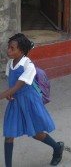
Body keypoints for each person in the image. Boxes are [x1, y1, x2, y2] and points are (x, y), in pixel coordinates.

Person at [0, 33, 64, 166]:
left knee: (36, 134)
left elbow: (18, 85)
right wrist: (9, 94)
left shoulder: (29, 66)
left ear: (21, 51)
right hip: (15, 101)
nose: (8, 50)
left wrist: (7, 93)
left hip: (29, 102)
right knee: (9, 134)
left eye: (12, 48)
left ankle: (57, 148)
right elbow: (12, 84)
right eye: (9, 47)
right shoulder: (10, 63)